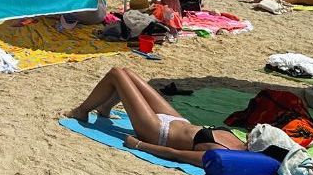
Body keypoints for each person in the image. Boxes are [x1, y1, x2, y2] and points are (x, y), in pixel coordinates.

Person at [67, 67, 245, 166]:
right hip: (178, 122)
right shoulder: (241, 141)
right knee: (126, 72)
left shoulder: (223, 154)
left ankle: (81, 112)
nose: (258, 128)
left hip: (158, 133)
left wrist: (139, 144)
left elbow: (177, 154)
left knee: (116, 74)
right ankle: (104, 109)